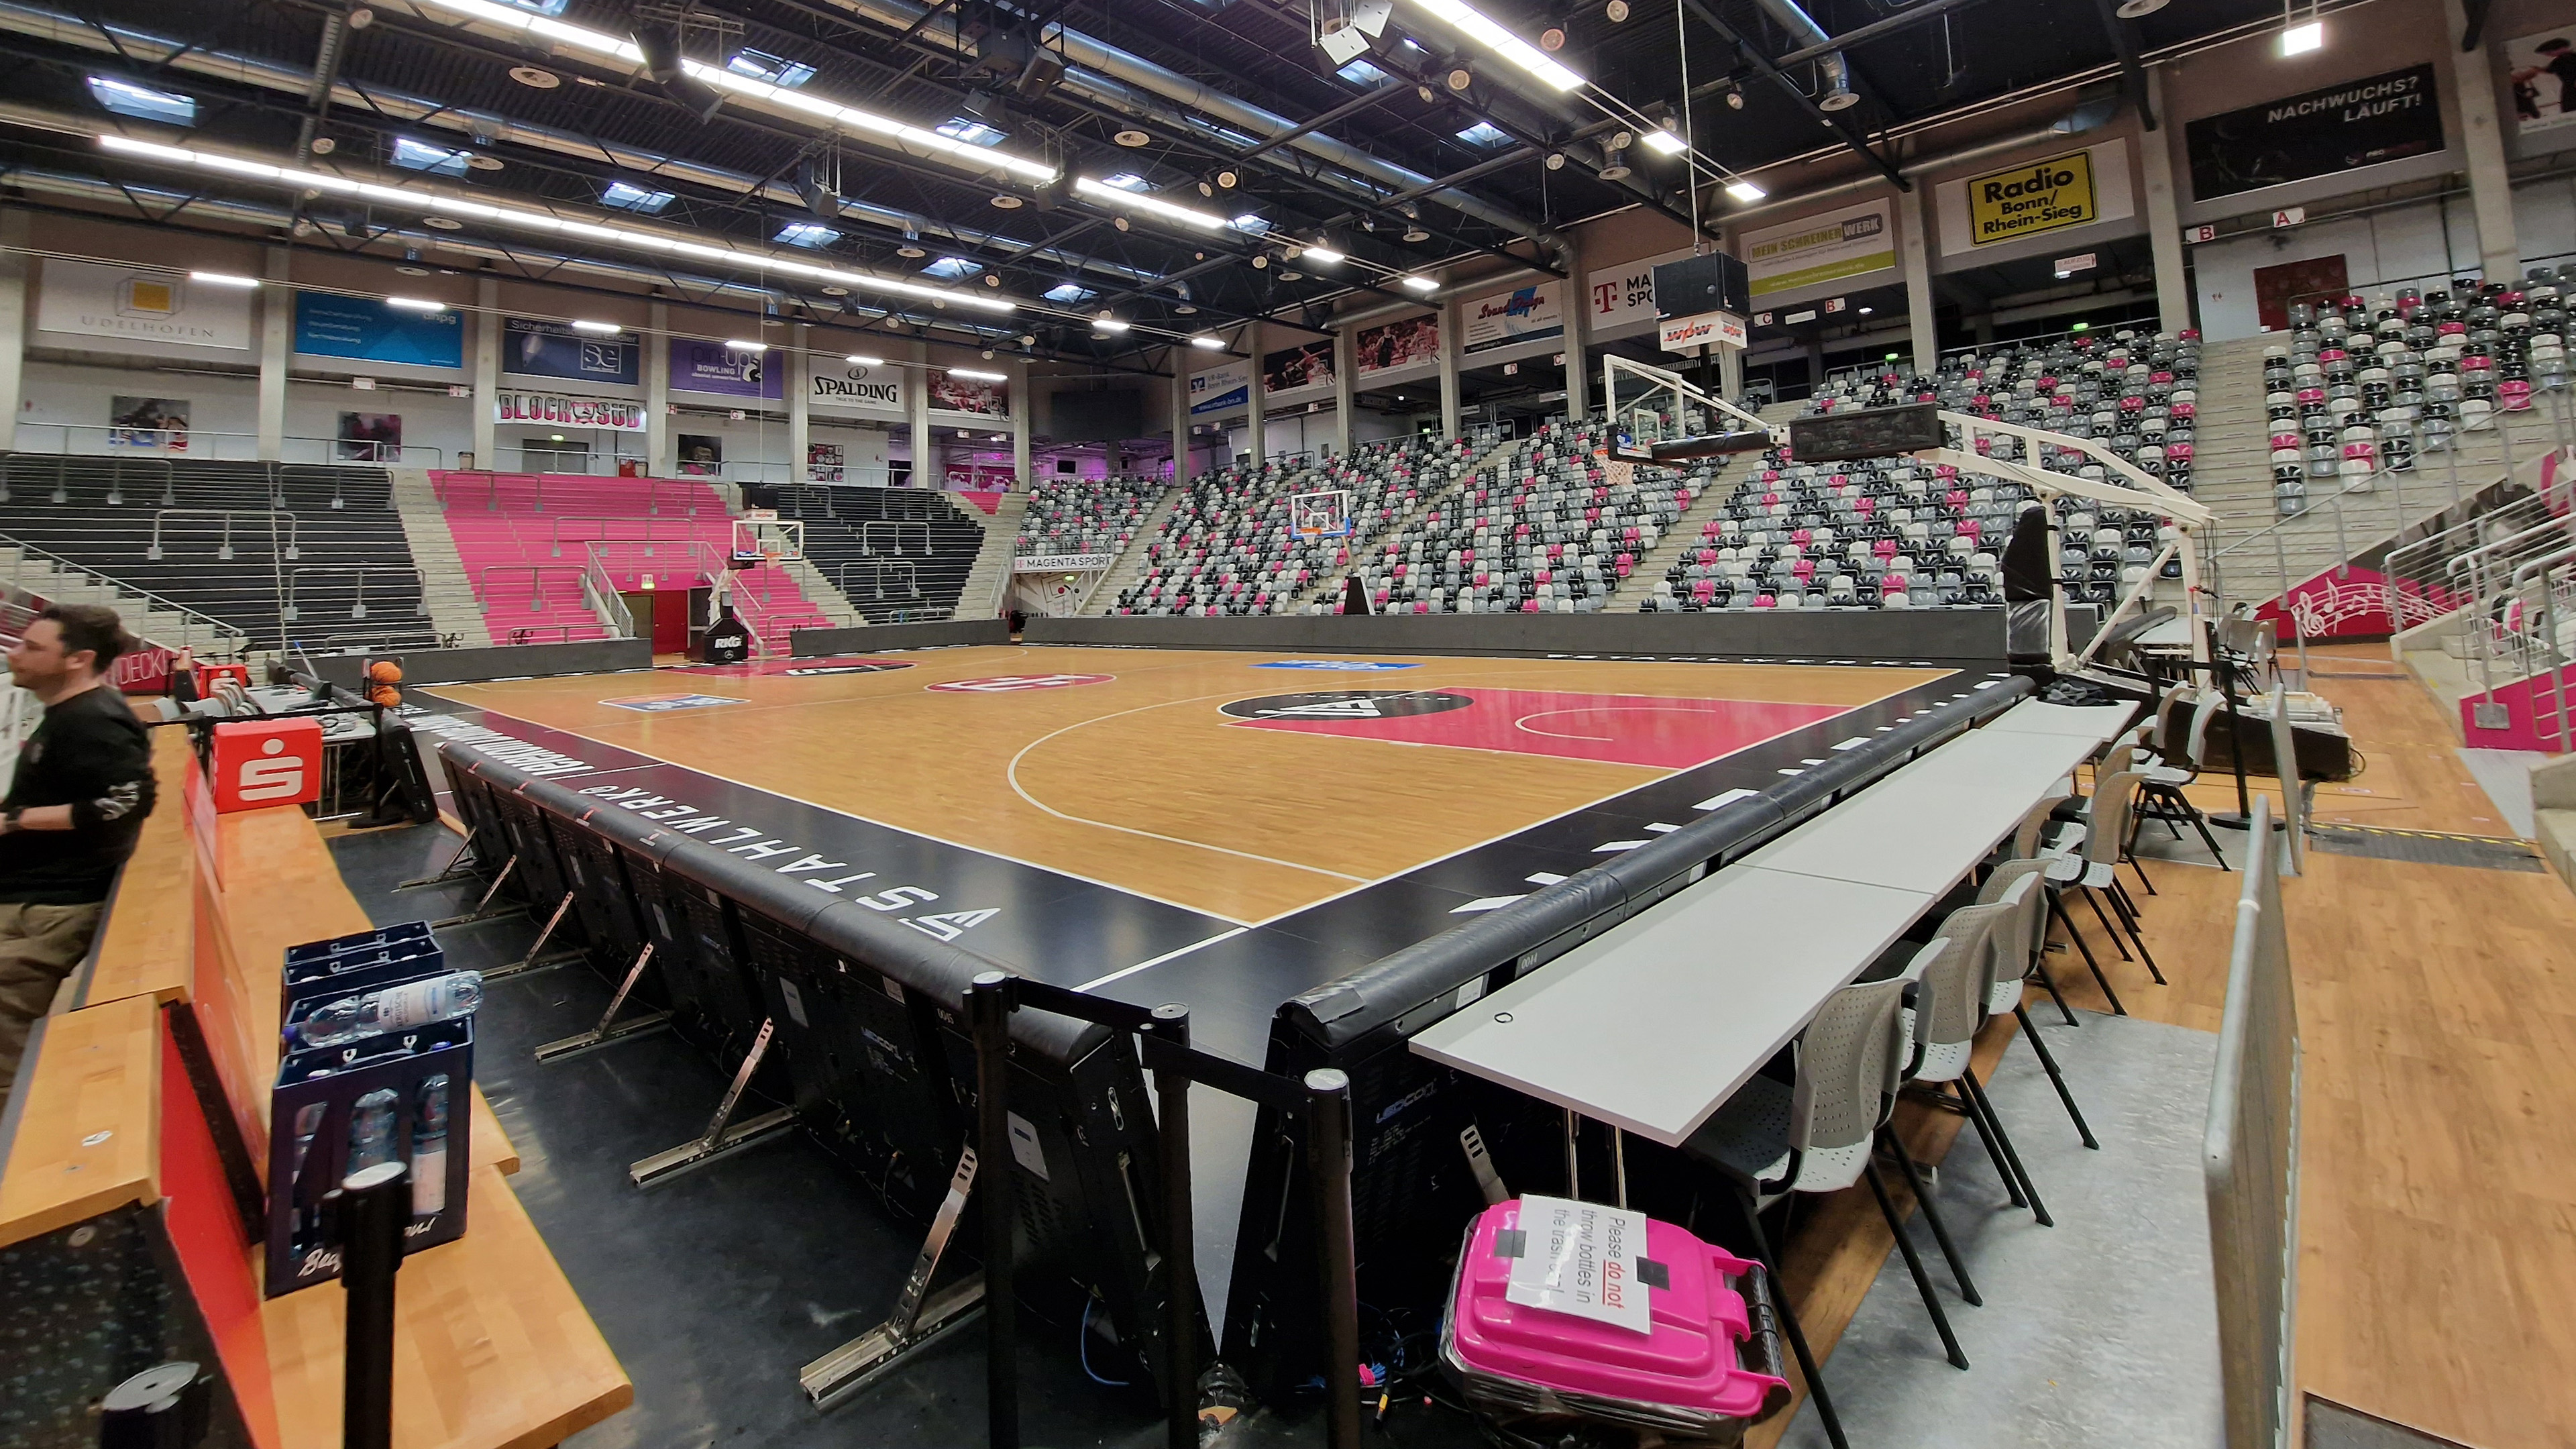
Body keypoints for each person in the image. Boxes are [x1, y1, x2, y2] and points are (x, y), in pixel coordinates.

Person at [0, 604, 158, 1109]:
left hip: (55, 904)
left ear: (78, 659)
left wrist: (17, 820)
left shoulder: (94, 720)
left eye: (33, 647)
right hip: (33, 893)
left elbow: (130, 799)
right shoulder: (71, 713)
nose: (15, 653)